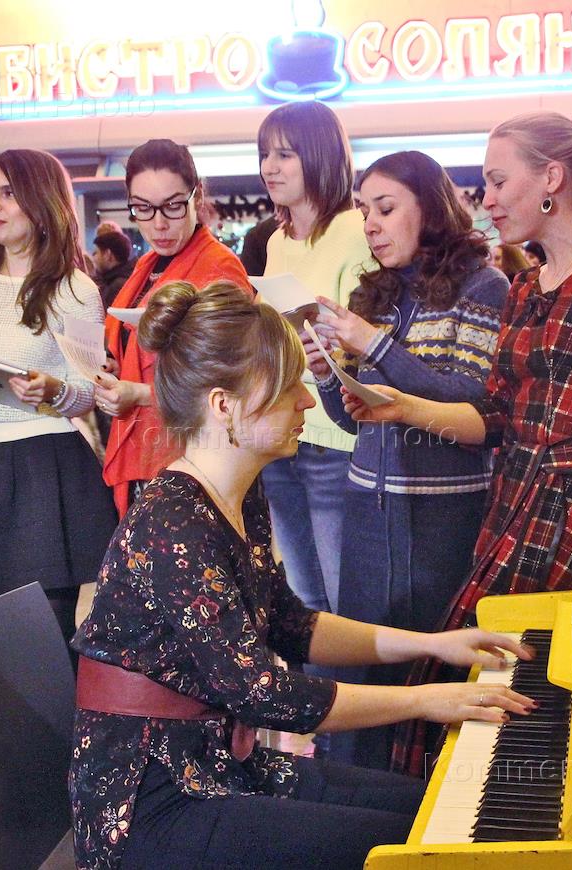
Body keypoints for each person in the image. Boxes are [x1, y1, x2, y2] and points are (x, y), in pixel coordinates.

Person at [68, 281, 537, 870]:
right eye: (288, 385)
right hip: (149, 803)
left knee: (434, 811)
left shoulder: (238, 495)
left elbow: (294, 626)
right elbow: (263, 692)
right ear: (224, 406)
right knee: (420, 846)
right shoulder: (173, 523)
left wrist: (434, 644)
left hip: (215, 766)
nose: (307, 402)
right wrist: (427, 699)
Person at [344, 112, 572, 777]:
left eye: (498, 181)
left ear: (551, 179)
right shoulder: (524, 286)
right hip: (512, 507)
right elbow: (493, 416)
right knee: (474, 682)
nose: (487, 199)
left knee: (528, 698)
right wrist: (400, 407)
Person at [307, 150, 508, 768]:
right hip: (367, 506)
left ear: (431, 207)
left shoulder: (484, 285)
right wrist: (328, 374)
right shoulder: (375, 291)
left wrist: (372, 344)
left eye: (386, 208)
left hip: (444, 514)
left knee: (435, 656)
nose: (371, 224)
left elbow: (470, 399)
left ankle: (427, 796)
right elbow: (354, 420)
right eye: (364, 210)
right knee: (369, 655)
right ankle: (361, 793)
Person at [0, 149, 116, 647]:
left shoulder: (75, 288)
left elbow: (90, 392)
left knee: (48, 626)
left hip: (48, 459)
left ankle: (61, 703)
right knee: (1, 626)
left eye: (9, 193)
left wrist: (55, 390)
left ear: (41, 204)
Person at [256, 100, 371, 620]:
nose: (270, 167)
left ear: (321, 157)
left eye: (284, 155)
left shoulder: (355, 231)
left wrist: (326, 346)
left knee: (345, 602)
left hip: (336, 439)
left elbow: (366, 341)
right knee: (303, 597)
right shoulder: (277, 240)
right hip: (282, 432)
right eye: (265, 154)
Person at [99, 139, 251, 517]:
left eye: (172, 205)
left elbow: (229, 379)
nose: (159, 223)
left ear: (197, 197)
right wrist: (115, 369)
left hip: (193, 459)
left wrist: (137, 393)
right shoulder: (148, 265)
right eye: (143, 208)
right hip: (148, 451)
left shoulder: (218, 267)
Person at [89, 229, 135, 308]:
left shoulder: (117, 286)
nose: (93, 258)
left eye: (95, 253)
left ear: (108, 254)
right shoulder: (125, 278)